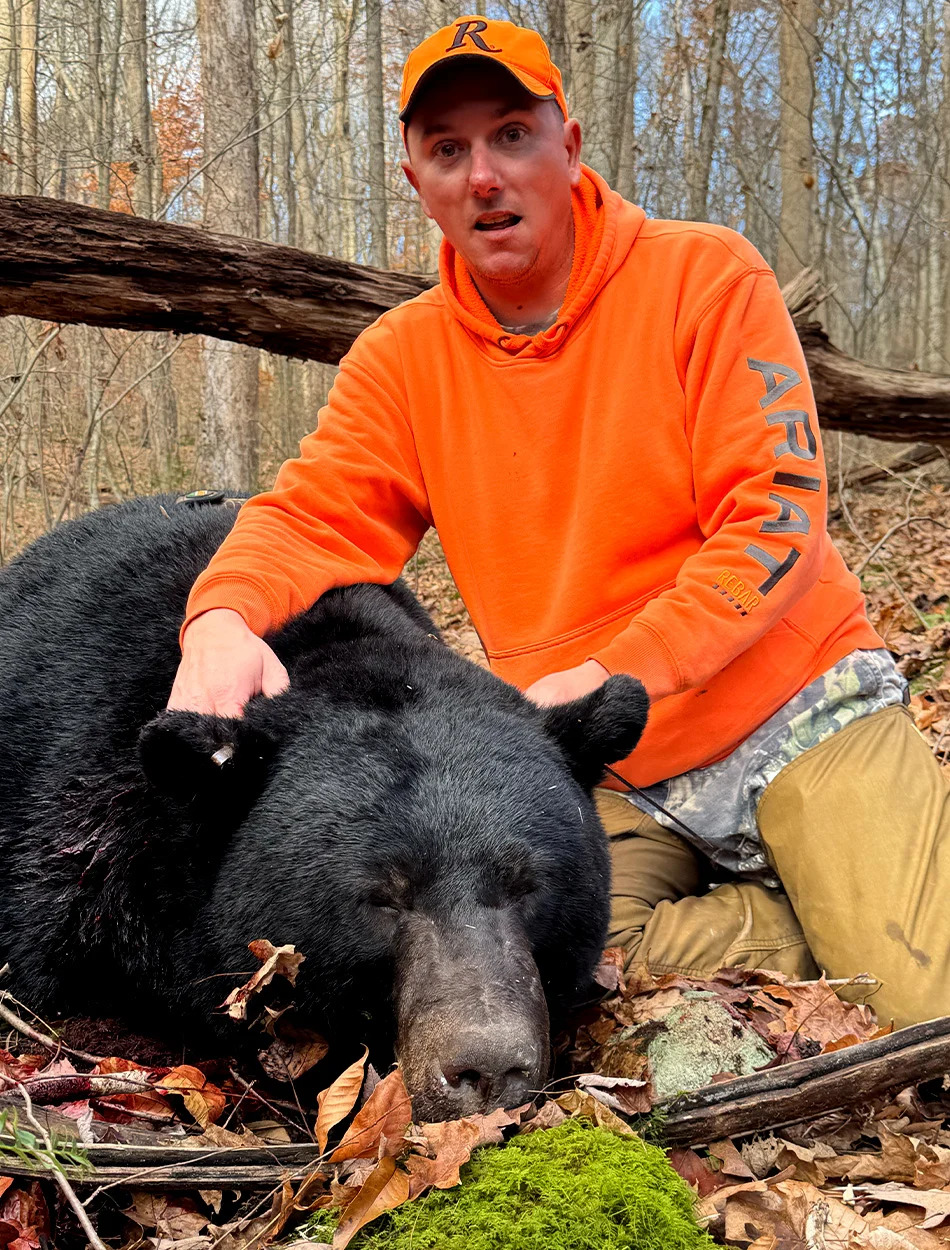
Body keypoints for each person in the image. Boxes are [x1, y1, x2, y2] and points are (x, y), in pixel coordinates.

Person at [169, 15, 950, 1028]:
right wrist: (221, 617)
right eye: (447, 150)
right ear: (417, 180)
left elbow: (774, 516)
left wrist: (625, 665)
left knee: (921, 999)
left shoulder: (703, 279)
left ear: (567, 145)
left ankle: (872, 904)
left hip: (798, 710)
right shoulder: (402, 361)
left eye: (510, 135)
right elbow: (314, 514)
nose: (482, 175)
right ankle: (810, 918)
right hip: (617, 765)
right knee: (556, 956)